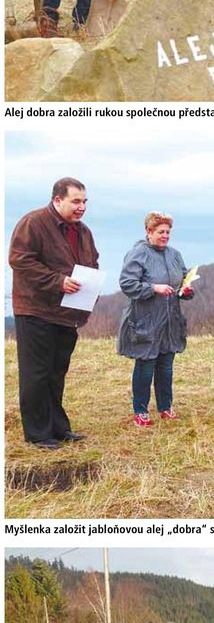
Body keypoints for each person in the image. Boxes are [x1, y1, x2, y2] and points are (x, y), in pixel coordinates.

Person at [8, 177, 99, 450]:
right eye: (76, 201)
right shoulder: (33, 222)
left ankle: (58, 428)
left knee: (56, 372)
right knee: (36, 373)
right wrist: (57, 281)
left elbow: (92, 261)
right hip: (35, 310)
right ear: (57, 200)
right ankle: (37, 433)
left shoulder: (83, 231)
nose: (81, 207)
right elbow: (19, 259)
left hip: (67, 313)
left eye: (84, 201)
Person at [117, 212, 195, 428]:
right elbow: (127, 283)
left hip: (171, 321)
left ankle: (165, 407)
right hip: (146, 321)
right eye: (161, 232)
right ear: (149, 232)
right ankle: (140, 411)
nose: (165, 236)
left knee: (166, 366)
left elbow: (182, 279)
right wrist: (153, 288)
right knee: (146, 366)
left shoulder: (174, 255)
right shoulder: (138, 254)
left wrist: (186, 290)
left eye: (168, 232)